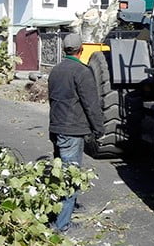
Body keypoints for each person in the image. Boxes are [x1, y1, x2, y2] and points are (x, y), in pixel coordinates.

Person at [47, 33, 104, 233]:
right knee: (70, 178)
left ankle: (55, 214)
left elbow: (53, 100)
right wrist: (99, 129)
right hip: (72, 131)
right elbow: (91, 104)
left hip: (56, 128)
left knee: (58, 175)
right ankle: (62, 225)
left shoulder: (55, 71)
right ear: (81, 50)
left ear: (64, 50)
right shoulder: (82, 71)